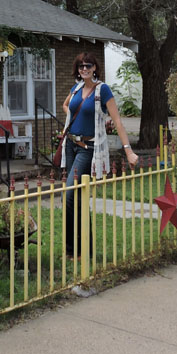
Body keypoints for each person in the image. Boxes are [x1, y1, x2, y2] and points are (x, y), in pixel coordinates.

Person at [62, 52, 139, 256]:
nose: (84, 69)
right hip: (71, 145)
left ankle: (74, 249)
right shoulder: (76, 87)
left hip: (87, 148)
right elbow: (67, 105)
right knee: (76, 198)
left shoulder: (102, 90)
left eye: (88, 65)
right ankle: (80, 250)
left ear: (95, 67)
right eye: (80, 66)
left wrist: (128, 151)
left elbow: (118, 121)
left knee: (70, 195)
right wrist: (73, 122)